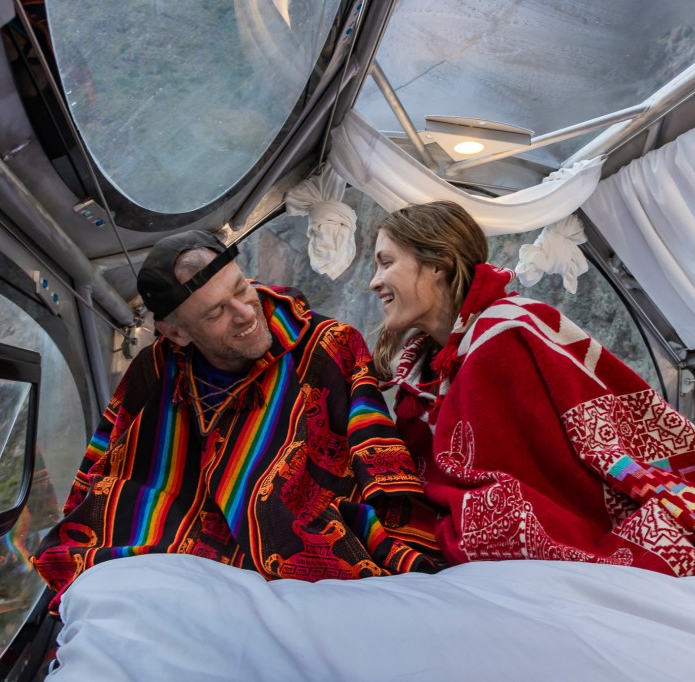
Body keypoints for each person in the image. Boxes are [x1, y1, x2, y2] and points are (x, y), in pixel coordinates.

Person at [368, 200, 695, 578]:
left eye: (386, 262)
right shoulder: (421, 377)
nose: (374, 282)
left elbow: (567, 456)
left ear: (439, 265)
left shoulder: (508, 333)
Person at [33, 230, 440, 612]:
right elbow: (104, 464)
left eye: (241, 288)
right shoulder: (154, 371)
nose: (245, 313)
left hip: (308, 552)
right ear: (175, 333)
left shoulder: (329, 346)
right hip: (185, 554)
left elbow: (381, 463)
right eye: (216, 313)